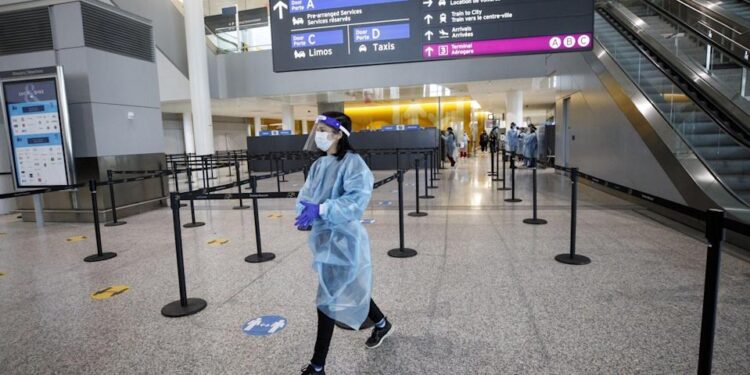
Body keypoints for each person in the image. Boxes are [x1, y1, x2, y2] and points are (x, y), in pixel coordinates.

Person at [295, 112, 394, 375]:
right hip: (324, 237)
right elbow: (306, 194)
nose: (319, 135)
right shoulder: (319, 165)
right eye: (319, 129)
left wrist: (323, 209)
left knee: (326, 298)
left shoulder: (354, 164)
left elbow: (355, 203)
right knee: (349, 285)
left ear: (339, 134)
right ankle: (382, 323)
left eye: (325, 130)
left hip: (344, 240)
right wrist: (304, 212)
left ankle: (317, 365)